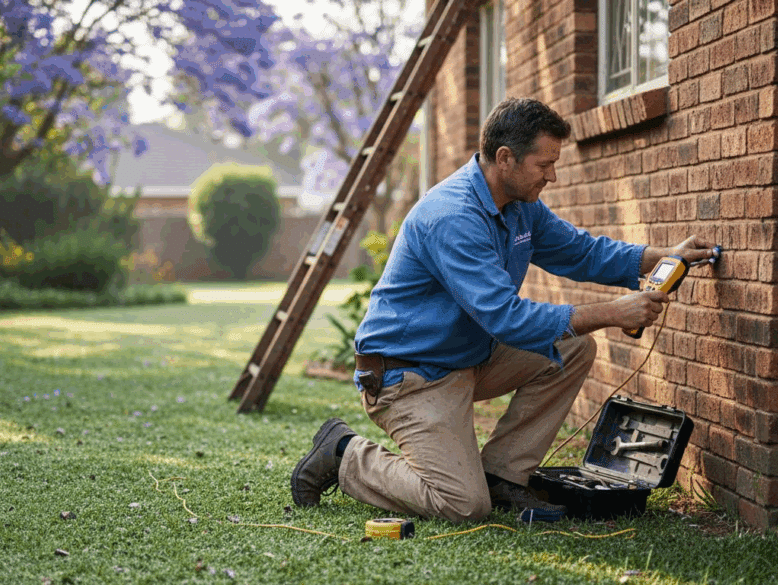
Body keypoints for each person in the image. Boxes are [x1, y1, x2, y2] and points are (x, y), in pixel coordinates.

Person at [290, 97, 718, 523]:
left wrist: (666, 257)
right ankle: (343, 452)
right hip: (410, 375)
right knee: (461, 504)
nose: (552, 175)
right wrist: (613, 311)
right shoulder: (453, 216)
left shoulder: (519, 206)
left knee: (571, 350)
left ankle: (502, 475)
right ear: (505, 158)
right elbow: (507, 319)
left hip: (466, 357)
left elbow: (580, 252)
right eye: (544, 164)